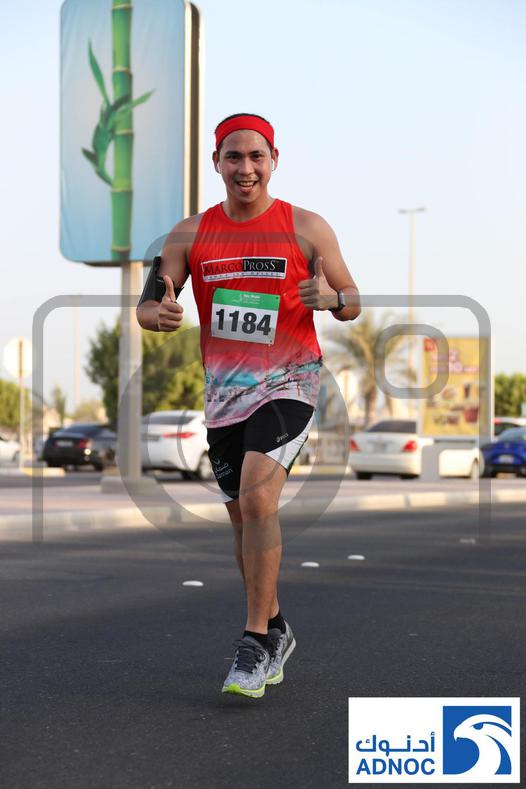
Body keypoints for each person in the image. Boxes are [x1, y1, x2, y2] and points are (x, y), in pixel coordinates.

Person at [136, 113, 361, 698]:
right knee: (243, 517)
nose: (246, 168)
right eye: (233, 156)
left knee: (260, 497)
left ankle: (255, 640)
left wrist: (332, 298)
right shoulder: (188, 234)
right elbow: (150, 302)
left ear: (274, 160)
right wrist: (157, 314)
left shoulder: (306, 227)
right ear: (216, 162)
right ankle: (277, 623)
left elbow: (352, 299)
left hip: (290, 382)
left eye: (256, 156)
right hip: (225, 394)